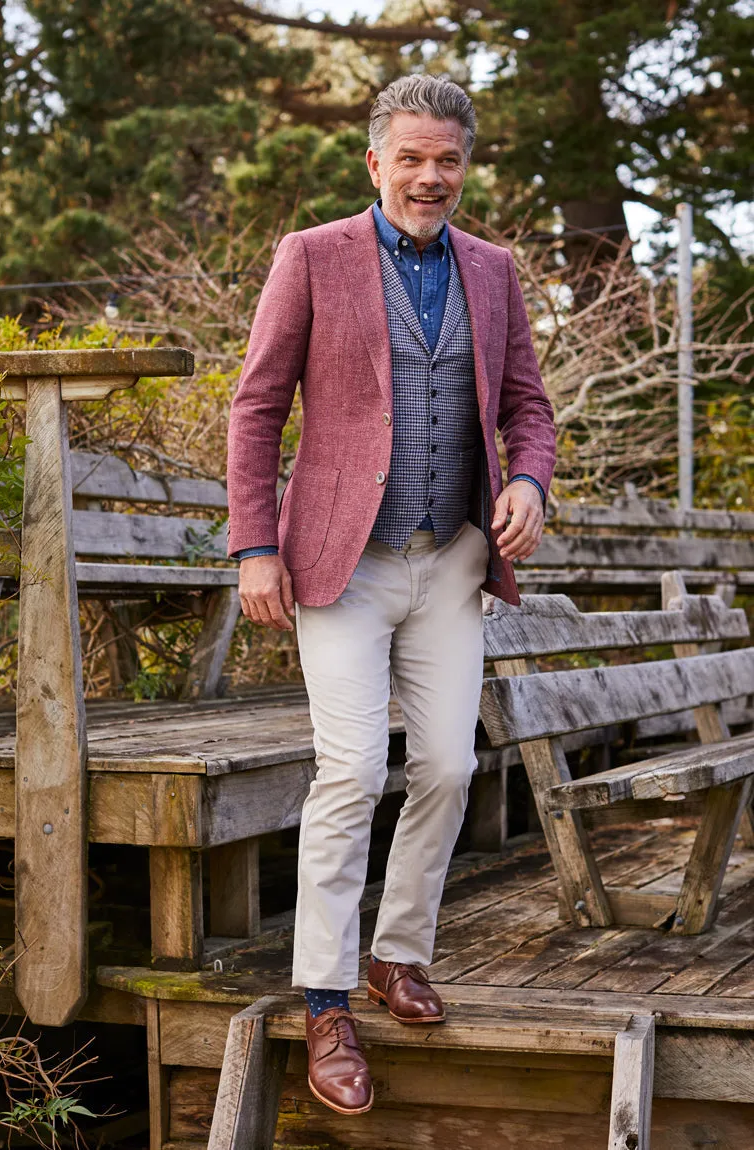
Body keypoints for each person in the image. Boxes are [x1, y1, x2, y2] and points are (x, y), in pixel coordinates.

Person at [225, 74, 556, 1117]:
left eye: (446, 159)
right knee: (354, 765)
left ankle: (396, 951)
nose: (429, 176)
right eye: (409, 158)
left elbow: (529, 408)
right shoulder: (313, 256)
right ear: (376, 162)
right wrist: (254, 545)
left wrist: (528, 480)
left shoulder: (494, 271)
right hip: (341, 561)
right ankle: (326, 1000)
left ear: (466, 164)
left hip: (453, 557)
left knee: (452, 765)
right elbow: (257, 405)